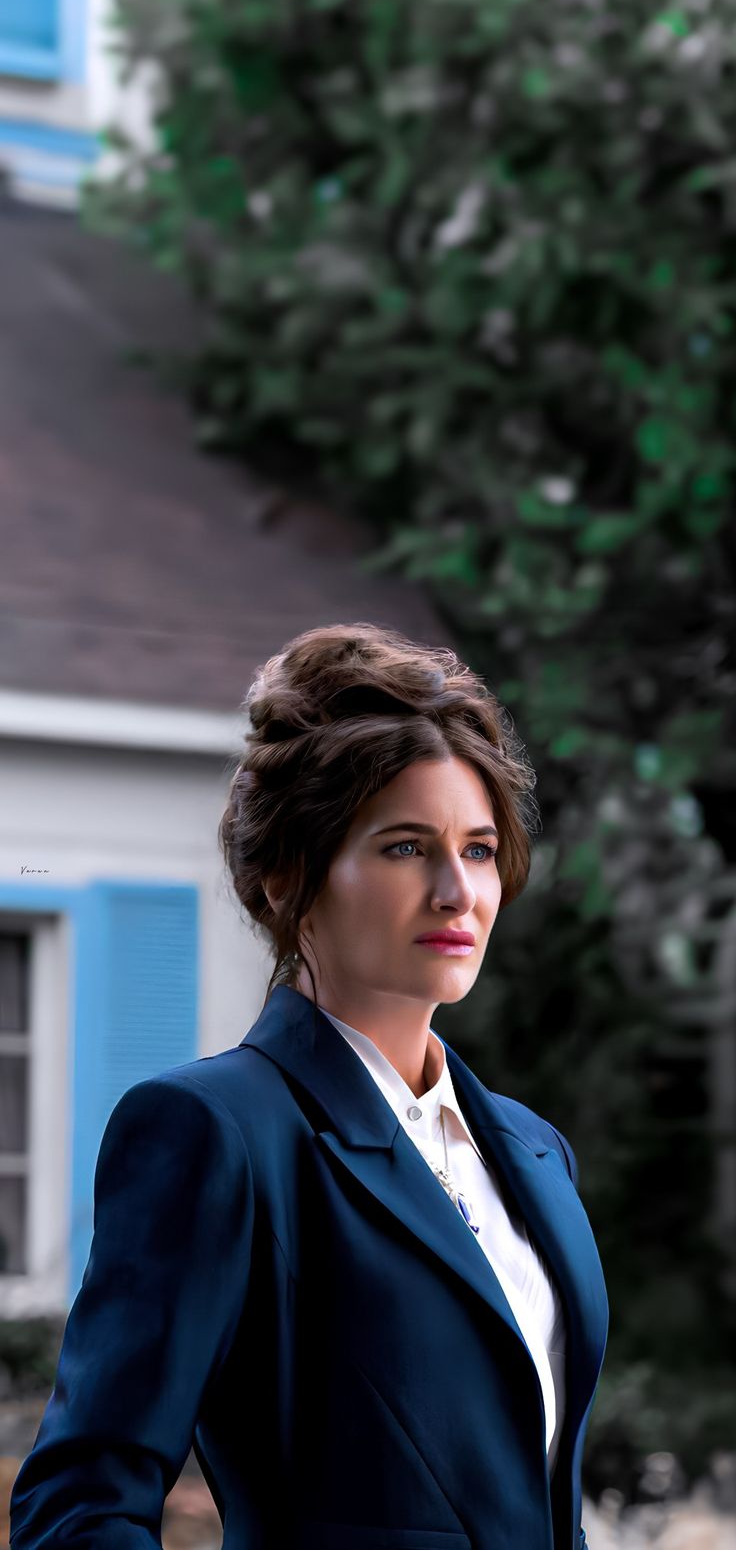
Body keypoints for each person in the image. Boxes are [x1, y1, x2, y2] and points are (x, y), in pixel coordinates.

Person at [9, 620, 608, 1549]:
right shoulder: (216, 1132)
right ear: (290, 876)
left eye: (480, 850)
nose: (459, 892)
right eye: (407, 847)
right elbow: (79, 1508)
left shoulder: (536, 1150)